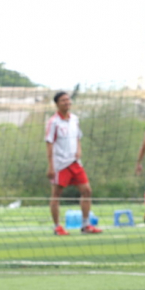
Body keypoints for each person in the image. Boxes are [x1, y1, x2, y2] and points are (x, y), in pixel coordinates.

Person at [45, 92, 102, 236]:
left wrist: (79, 150)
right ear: (57, 103)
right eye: (63, 100)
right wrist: (51, 166)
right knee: (56, 195)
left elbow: (78, 137)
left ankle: (85, 225)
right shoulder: (53, 122)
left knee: (87, 191)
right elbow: (49, 143)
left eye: (68, 99)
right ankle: (57, 226)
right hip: (60, 164)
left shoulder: (75, 119)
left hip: (75, 162)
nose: (67, 102)